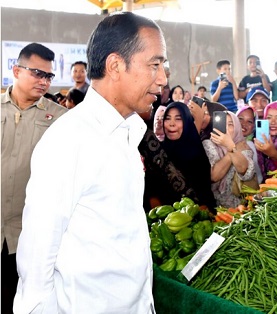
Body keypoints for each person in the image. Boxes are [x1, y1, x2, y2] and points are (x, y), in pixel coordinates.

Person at [13, 13, 165, 313]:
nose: (162, 78)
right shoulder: (69, 141)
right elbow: (37, 259)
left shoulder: (129, 133)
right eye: (154, 65)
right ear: (115, 65)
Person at [1, 42, 68, 313]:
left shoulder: (60, 119)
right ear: (16, 70)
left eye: (49, 76)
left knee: (17, 301)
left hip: (27, 234)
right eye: (37, 73)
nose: (44, 81)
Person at [161, 102, 216, 209]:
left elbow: (204, 193)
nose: (171, 124)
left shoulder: (197, 152)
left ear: (187, 122)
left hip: (196, 218)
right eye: (167, 118)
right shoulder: (158, 151)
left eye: (178, 119)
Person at [203, 111, 256, 208]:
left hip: (240, 207)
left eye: (231, 124)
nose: (226, 128)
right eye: (223, 124)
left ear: (236, 128)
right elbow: (214, 176)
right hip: (215, 207)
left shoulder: (243, 145)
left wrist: (231, 146)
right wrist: (231, 148)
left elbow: (245, 171)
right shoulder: (208, 144)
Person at [237, 106, 263, 183]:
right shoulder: (224, 140)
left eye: (249, 121)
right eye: (240, 119)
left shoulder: (252, 145)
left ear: (254, 126)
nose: (243, 124)